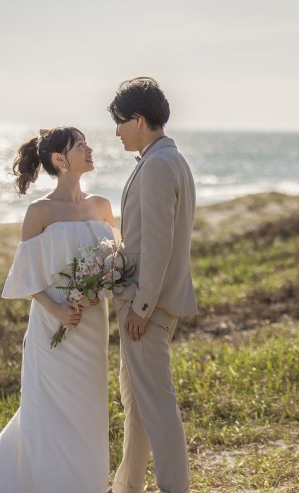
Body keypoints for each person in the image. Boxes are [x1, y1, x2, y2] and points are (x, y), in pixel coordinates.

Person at [0, 127, 116, 492]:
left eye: (86, 142)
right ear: (60, 159)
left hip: (92, 324)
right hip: (52, 327)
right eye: (80, 145)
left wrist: (98, 289)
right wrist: (54, 307)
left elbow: (114, 264)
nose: (89, 148)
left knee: (89, 409)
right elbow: (25, 278)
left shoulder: (101, 206)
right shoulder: (38, 212)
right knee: (49, 411)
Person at [108, 77, 198, 493]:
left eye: (121, 122)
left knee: (158, 408)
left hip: (147, 306)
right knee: (138, 407)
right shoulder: (166, 158)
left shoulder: (160, 164)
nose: (117, 131)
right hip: (146, 303)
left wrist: (141, 308)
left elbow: (159, 245)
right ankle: (127, 486)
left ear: (139, 120)